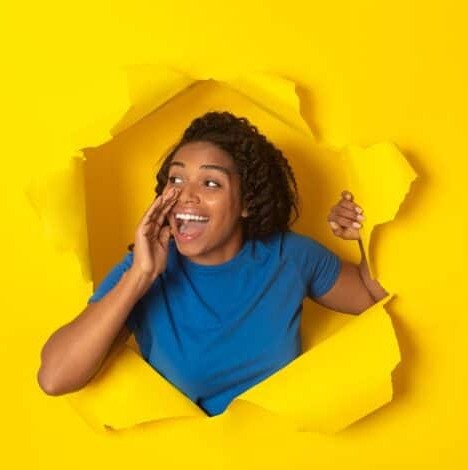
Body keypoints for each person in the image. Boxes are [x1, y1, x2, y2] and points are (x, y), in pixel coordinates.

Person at [37, 111, 388, 416]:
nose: (186, 195)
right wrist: (139, 276)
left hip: (283, 460)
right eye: (176, 179)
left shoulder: (290, 256)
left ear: (246, 203)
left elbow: (377, 302)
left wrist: (362, 233)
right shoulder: (144, 270)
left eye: (210, 182)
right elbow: (54, 378)